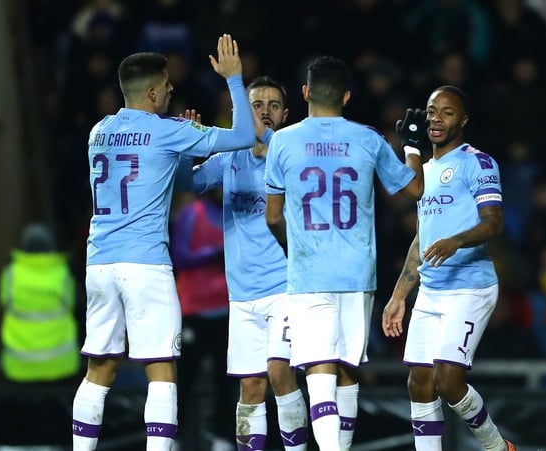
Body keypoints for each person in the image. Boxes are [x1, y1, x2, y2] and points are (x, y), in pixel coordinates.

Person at [72, 34, 255, 451]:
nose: (172, 90)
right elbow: (244, 134)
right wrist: (233, 79)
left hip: (99, 263)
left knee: (98, 368)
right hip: (145, 264)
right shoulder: (168, 130)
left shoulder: (99, 132)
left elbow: (171, 177)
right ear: (153, 92)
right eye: (168, 85)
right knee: (162, 369)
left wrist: (185, 150)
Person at [264, 55, 425, 451]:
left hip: (309, 270)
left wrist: (295, 245)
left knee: (319, 367)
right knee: (346, 367)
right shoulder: (368, 138)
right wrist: (414, 147)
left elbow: (271, 217)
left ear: (304, 93)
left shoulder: (282, 141)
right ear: (347, 97)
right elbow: (415, 190)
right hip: (357, 272)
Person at [381, 85, 516, 451]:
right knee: (419, 382)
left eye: (447, 112)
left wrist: (456, 241)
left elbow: (494, 223)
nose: (436, 119)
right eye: (431, 111)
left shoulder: (478, 162)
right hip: (431, 290)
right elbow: (421, 240)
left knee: (448, 382)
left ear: (464, 120)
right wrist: (398, 297)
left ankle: (496, 447)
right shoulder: (423, 171)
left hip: (471, 286)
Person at [184, 75, 309, 451]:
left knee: (279, 373)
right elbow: (184, 184)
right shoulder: (228, 160)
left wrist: (262, 137)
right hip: (241, 296)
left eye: (273, 106)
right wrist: (189, 151)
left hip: (285, 289)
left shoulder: (291, 158)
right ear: (242, 110)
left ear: (285, 116)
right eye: (256, 105)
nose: (265, 113)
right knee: (250, 386)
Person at [170, 189, 236, 450]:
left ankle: (222, 437)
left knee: (225, 377)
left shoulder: (231, 215)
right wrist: (214, 253)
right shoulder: (191, 214)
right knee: (185, 377)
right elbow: (179, 256)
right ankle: (172, 438)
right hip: (194, 310)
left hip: (225, 308)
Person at [0, 223, 80, 383]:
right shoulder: (62, 273)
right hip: (61, 365)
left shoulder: (11, 273)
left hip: (19, 366)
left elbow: (3, 302)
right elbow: (72, 303)